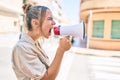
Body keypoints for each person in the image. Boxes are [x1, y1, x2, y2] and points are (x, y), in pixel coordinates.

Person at [12, 3, 71, 80]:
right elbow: (47, 78)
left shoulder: (35, 42)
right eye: (50, 19)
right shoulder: (22, 48)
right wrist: (61, 50)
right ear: (35, 23)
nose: (54, 23)